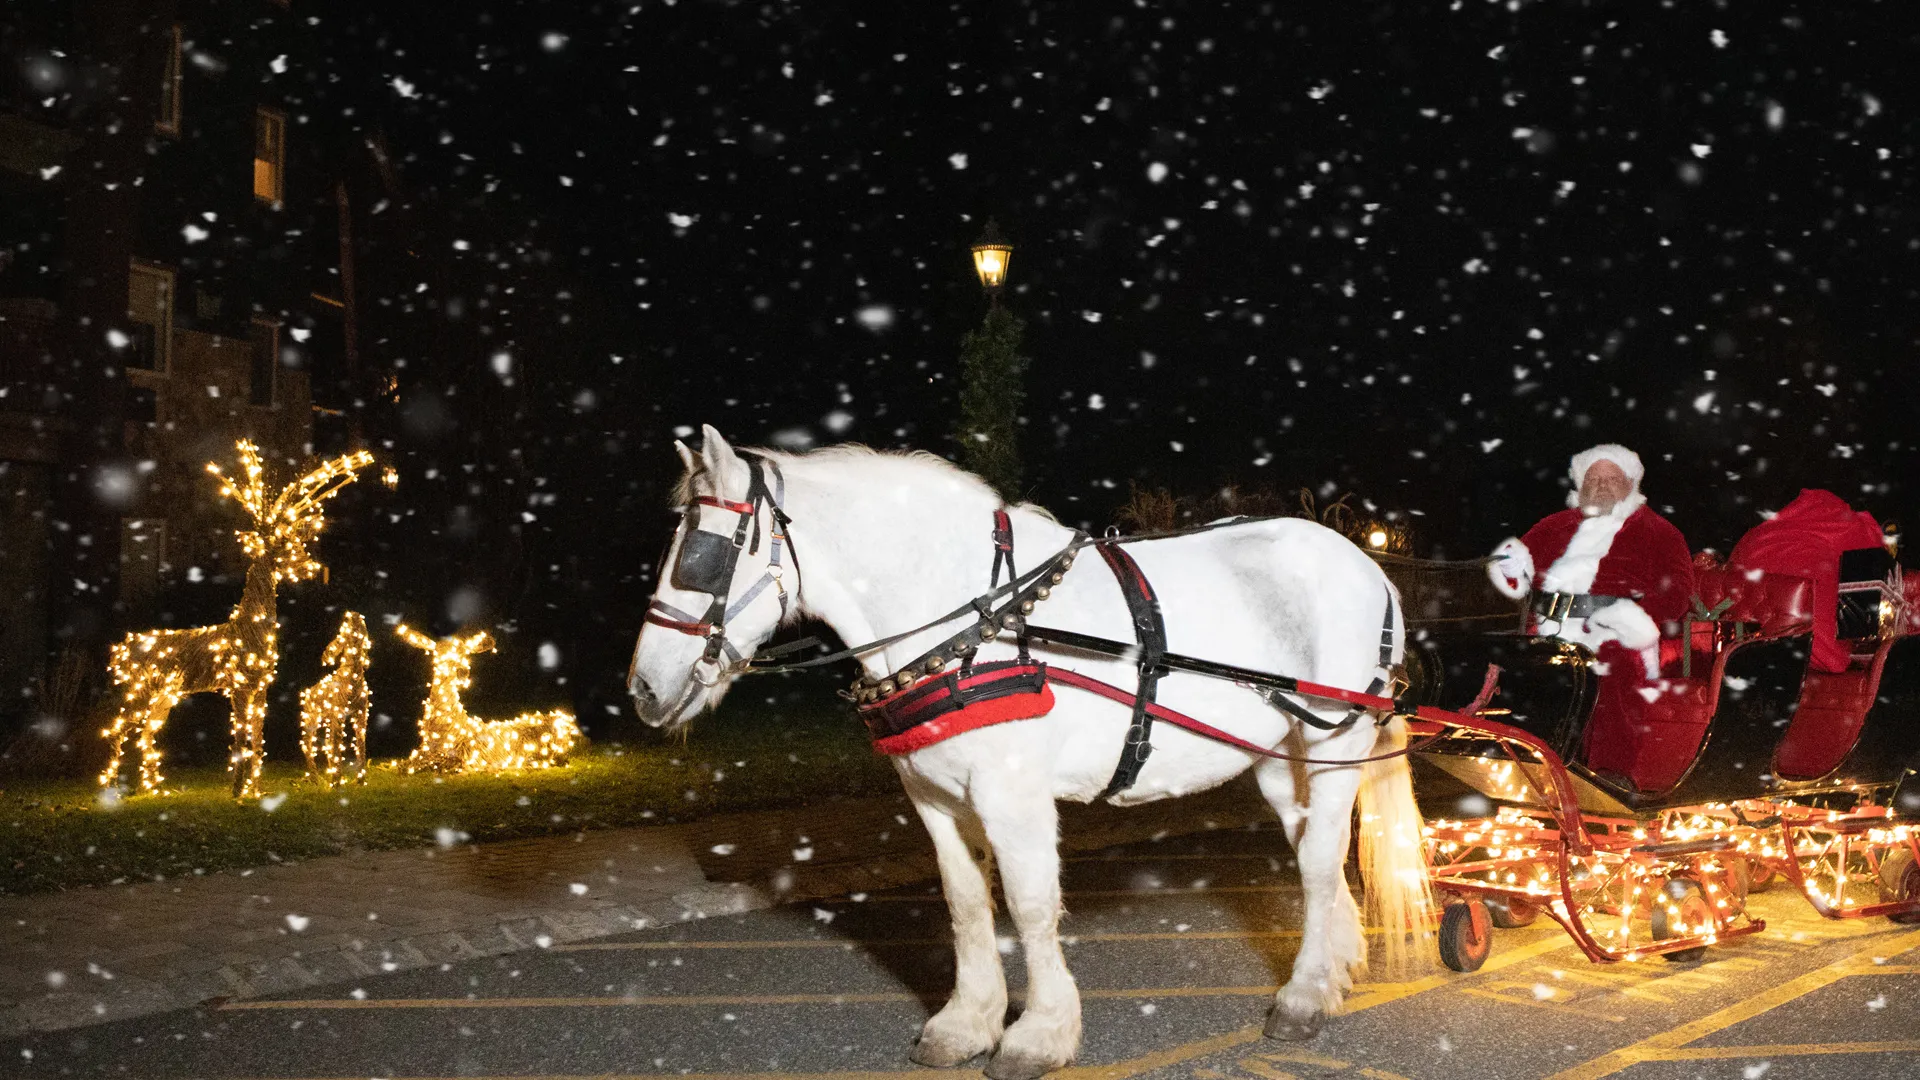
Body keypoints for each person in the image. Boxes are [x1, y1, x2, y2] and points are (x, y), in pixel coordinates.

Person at [1486, 445, 1696, 790]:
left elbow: (1678, 593)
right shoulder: (1551, 527)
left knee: (1613, 667)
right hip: (1548, 625)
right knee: (1518, 665)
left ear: (1630, 484)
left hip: (1618, 630)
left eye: (1611, 478)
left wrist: (1631, 617)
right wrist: (1507, 570)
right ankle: (1526, 767)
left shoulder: (1660, 532)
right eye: (1593, 478)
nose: (1600, 485)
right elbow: (1511, 575)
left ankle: (1609, 775)